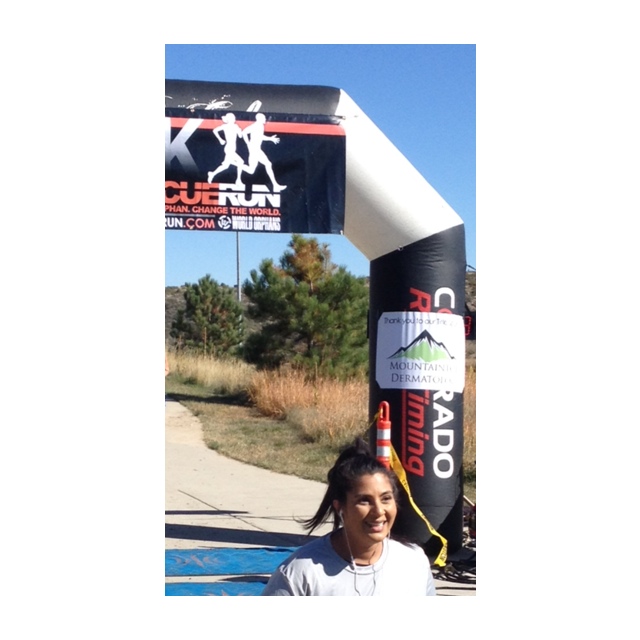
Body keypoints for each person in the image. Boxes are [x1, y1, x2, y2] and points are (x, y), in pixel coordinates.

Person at [261, 438, 437, 596]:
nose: (378, 511)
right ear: (340, 507)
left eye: (386, 498)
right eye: (364, 501)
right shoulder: (300, 574)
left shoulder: (414, 561)